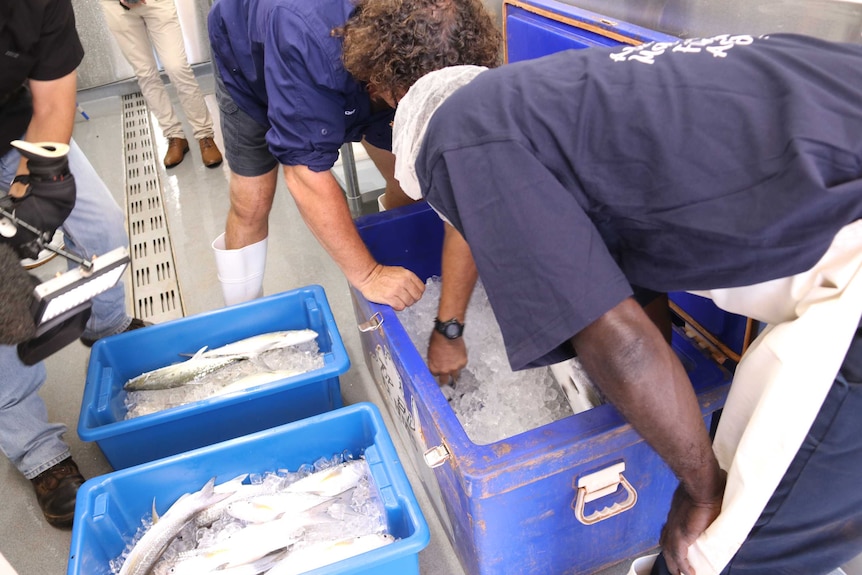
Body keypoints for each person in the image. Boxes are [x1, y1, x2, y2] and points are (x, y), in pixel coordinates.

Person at [387, 35, 862, 575]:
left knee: (715, 553)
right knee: (752, 471)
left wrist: (700, 490)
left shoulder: (463, 139)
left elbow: (613, 334)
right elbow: (632, 288)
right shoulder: (565, 103)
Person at [205, 0, 500, 307]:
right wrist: (369, 274)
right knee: (252, 202)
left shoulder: (433, 36)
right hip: (253, 55)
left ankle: (403, 262)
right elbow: (305, 173)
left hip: (384, 61)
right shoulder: (307, 33)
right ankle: (243, 324)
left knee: (409, 177)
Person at [0, 0, 148, 528]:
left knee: (101, 226)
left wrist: (29, 186)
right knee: (1, 315)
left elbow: (55, 96)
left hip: (16, 125)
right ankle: (38, 452)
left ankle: (106, 325)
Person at [100, 0, 223, 169]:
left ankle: (204, 135)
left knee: (177, 68)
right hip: (115, 6)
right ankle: (174, 135)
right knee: (145, 74)